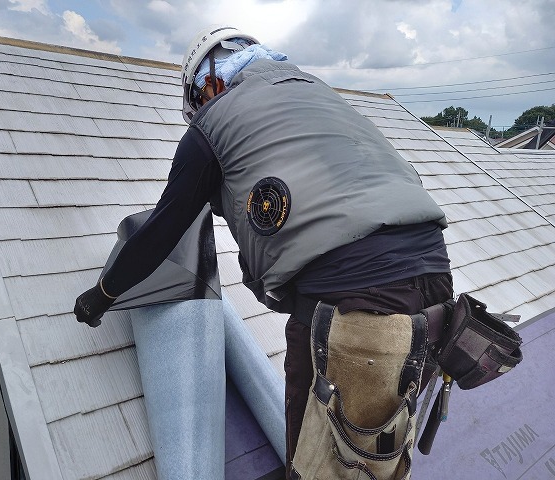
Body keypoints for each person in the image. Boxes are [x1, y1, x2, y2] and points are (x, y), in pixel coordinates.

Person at [74, 25, 453, 479]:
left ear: (208, 85)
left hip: (356, 298)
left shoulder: (211, 126)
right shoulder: (313, 92)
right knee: (381, 453)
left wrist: (102, 295)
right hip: (436, 282)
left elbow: (160, 232)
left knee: (324, 464)